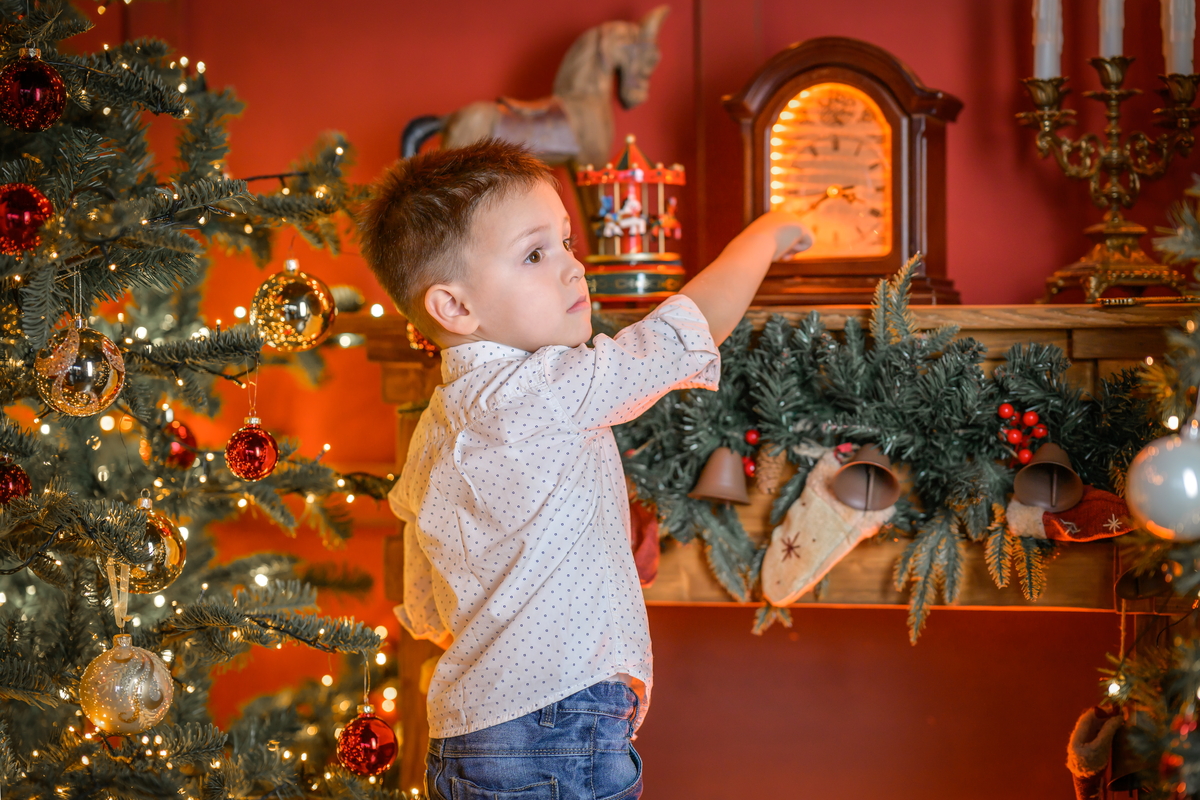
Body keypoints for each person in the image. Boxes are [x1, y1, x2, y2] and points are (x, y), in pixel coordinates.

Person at [359, 139, 811, 800]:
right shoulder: (542, 390)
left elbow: (425, 591)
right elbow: (685, 331)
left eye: (567, 243)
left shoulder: (438, 421)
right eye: (536, 254)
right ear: (454, 307)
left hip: (471, 732)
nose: (574, 268)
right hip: (556, 725)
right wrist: (766, 236)